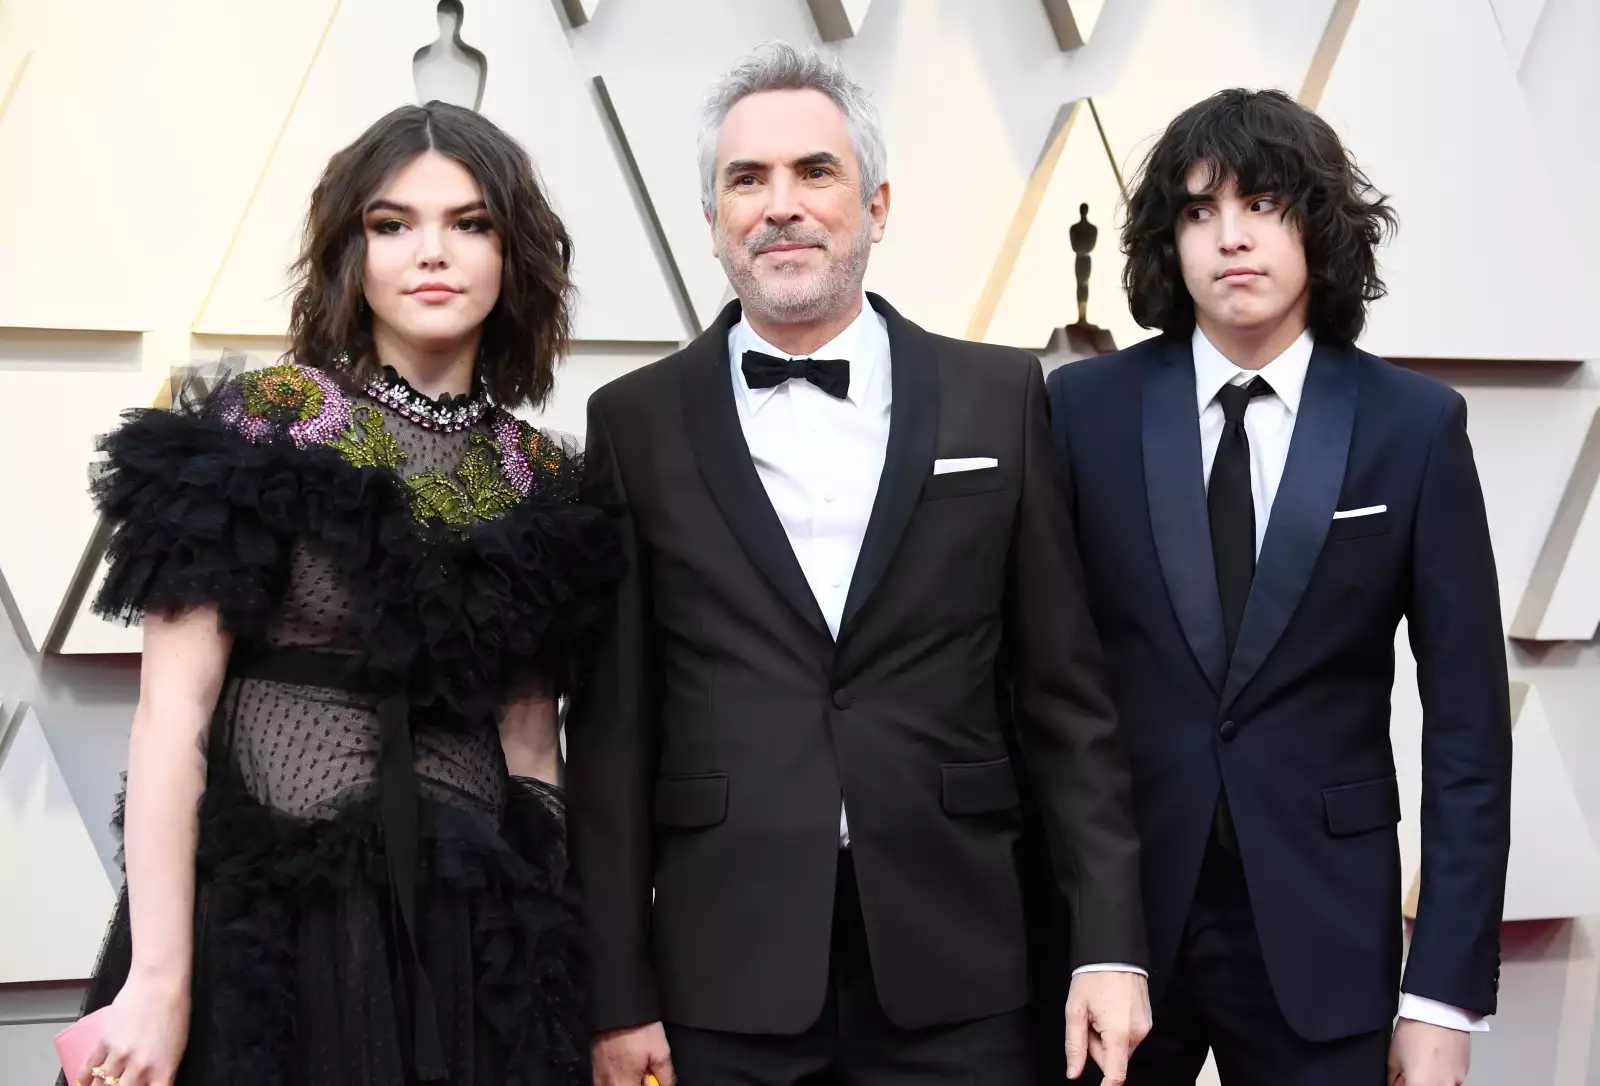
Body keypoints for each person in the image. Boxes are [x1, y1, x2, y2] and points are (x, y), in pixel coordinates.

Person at [568, 43, 1150, 1086]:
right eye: (746, 180)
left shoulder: (999, 397)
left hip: (961, 959)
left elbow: (1067, 700)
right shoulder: (633, 423)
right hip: (720, 972)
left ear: (877, 204)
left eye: (814, 173)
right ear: (712, 221)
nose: (779, 205)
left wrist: (1107, 944)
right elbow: (610, 735)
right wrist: (616, 992)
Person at [61, 101, 620, 1086]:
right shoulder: (264, 424)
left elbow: (534, 746)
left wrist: (550, 967)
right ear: (348, 253)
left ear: (513, 254)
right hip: (271, 928)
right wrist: (159, 978)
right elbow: (170, 717)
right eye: (392, 224)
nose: (432, 253)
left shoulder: (545, 475)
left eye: (471, 223)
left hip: (470, 944)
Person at [1046, 88, 1512, 1085]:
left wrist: (1441, 996)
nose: (1231, 238)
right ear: (1167, 240)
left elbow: (1468, 729)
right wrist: (1083, 932)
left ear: (1316, 223)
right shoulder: (1080, 411)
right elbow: (1040, 681)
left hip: (1325, 929)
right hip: (1117, 928)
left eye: (1263, 204)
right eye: (1198, 210)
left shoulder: (1413, 427)